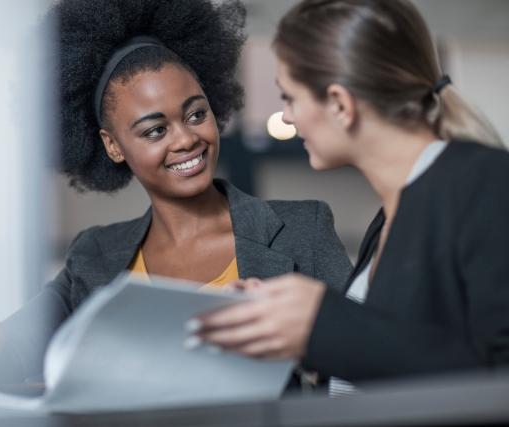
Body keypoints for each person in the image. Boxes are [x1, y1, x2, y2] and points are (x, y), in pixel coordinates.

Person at [0, 0, 352, 389]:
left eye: (196, 114)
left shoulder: (303, 228)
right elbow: (8, 353)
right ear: (112, 145)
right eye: (155, 130)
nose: (187, 139)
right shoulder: (93, 258)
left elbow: (364, 356)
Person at [197, 0, 509, 395]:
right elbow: (395, 356)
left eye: (289, 98)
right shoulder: (389, 217)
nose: (288, 118)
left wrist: (323, 326)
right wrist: (289, 323)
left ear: (341, 105)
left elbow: (499, 376)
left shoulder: (485, 184)